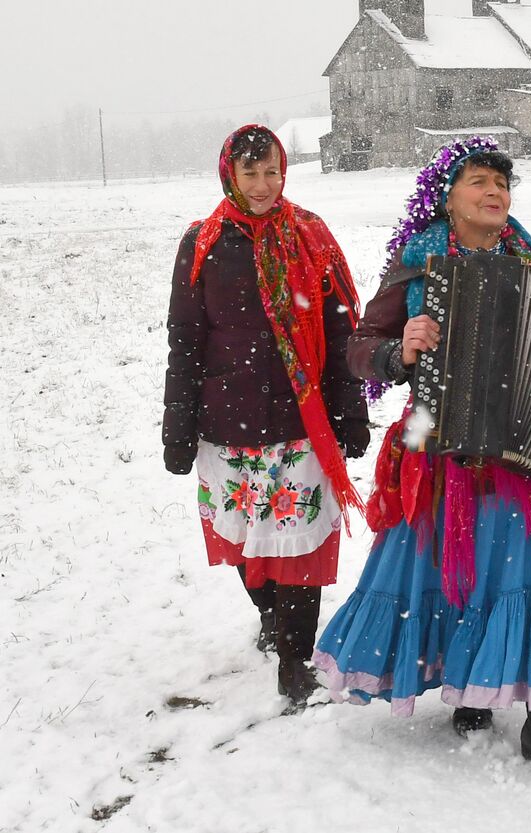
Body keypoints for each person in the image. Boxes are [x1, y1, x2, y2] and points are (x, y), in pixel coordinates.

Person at [312, 136, 531, 787]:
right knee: (458, 578)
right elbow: (357, 347)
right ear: (447, 197)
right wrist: (397, 352)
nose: (495, 193)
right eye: (479, 182)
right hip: (446, 453)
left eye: (502, 183)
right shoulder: (418, 268)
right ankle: (471, 687)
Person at [163, 124, 368, 709]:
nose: (262, 184)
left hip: (302, 418)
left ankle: (295, 659)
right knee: (250, 538)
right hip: (227, 420)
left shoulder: (309, 236)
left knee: (299, 542)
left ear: (285, 171)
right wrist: (177, 426)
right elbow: (186, 339)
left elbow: (338, 327)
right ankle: (270, 615)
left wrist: (349, 409)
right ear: (230, 173)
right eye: (250, 173)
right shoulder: (202, 243)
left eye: (272, 171)